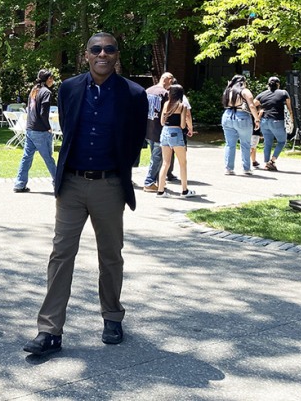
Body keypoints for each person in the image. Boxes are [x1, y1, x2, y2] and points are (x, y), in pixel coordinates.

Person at [23, 32, 147, 356]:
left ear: (117, 54)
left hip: (109, 185)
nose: (102, 54)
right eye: (96, 49)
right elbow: (67, 123)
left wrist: (118, 169)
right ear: (86, 55)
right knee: (60, 254)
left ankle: (112, 317)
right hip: (73, 185)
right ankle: (49, 330)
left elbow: (136, 140)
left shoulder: (133, 94)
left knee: (110, 255)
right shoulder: (69, 88)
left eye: (109, 49)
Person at [13, 69, 58, 193]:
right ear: (48, 79)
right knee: (48, 158)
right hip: (40, 130)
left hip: (30, 128)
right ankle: (59, 183)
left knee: (26, 157)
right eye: (52, 78)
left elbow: (30, 109)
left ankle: (19, 184)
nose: (52, 80)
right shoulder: (46, 92)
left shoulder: (34, 90)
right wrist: (48, 127)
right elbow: (44, 113)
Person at [156, 84, 196, 197]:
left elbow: (162, 122)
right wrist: (188, 127)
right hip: (176, 133)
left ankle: (160, 190)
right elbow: (183, 125)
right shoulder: (182, 106)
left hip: (164, 133)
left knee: (165, 163)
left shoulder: (166, 104)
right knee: (183, 163)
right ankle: (184, 190)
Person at [143, 73, 179, 192]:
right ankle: (149, 182)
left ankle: (159, 182)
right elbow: (167, 112)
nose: (171, 84)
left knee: (156, 156)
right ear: (167, 80)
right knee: (157, 158)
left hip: (148, 129)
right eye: (171, 81)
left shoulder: (148, 91)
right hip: (159, 130)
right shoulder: (165, 94)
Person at [221, 75, 260, 175]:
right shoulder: (244, 91)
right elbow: (251, 105)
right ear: (243, 82)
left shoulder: (228, 90)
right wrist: (257, 119)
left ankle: (228, 168)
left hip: (227, 115)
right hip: (242, 116)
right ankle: (246, 168)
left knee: (229, 144)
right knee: (245, 143)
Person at [255, 76, 294, 171]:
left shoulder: (262, 94)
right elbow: (289, 108)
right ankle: (272, 161)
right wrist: (291, 120)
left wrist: (259, 113)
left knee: (267, 142)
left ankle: (266, 163)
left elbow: (252, 104)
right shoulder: (284, 93)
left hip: (264, 121)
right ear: (278, 84)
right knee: (282, 141)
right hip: (277, 120)